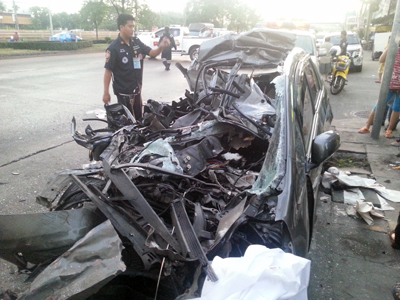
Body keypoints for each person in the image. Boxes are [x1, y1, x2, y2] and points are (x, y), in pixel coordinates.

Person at [103, 13, 170, 120]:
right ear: (121, 27)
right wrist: (106, 93)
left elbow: (152, 53)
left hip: (137, 91)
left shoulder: (136, 42)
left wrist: (161, 46)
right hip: (123, 94)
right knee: (128, 124)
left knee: (139, 120)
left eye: (133, 26)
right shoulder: (113, 48)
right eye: (130, 26)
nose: (132, 29)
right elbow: (108, 71)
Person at [358, 45, 400, 138]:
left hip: (390, 81)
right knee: (397, 108)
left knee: (379, 104)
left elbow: (381, 60)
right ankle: (389, 131)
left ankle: (367, 126)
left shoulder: (392, 47)